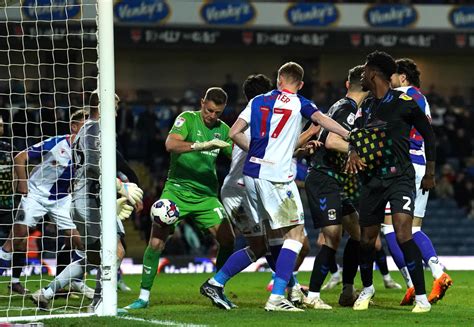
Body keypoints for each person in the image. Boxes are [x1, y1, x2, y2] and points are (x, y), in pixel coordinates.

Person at [200, 62, 349, 312]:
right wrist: (350, 134)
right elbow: (322, 120)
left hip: (249, 179)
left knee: (267, 243)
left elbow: (235, 133)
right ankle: (279, 294)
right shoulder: (298, 102)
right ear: (300, 84)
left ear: (279, 79)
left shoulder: (257, 101)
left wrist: (262, 153)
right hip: (266, 181)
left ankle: (220, 283)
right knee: (295, 235)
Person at [125, 87, 236, 310]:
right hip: (176, 191)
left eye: (218, 113)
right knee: (156, 243)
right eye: (210, 110)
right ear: (202, 102)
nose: (212, 116)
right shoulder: (187, 119)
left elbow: (238, 156)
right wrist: (201, 145)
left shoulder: (224, 130)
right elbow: (170, 144)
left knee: (228, 240)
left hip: (206, 196)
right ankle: (143, 297)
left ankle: (217, 288)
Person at [31, 92, 142, 310]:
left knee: (93, 257)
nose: (117, 112)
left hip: (88, 199)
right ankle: (99, 302)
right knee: (116, 251)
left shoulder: (85, 129)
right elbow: (93, 164)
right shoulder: (95, 129)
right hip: (90, 201)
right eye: (115, 107)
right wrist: (121, 186)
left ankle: (46, 293)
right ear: (104, 105)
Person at [346, 51, 436, 313]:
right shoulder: (366, 106)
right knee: (367, 240)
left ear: (374, 73)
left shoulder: (404, 101)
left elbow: (429, 136)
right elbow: (355, 136)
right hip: (372, 179)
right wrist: (352, 153)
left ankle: (421, 297)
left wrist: (430, 173)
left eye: (364, 70)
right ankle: (367, 289)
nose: (361, 74)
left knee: (402, 232)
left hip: (400, 177)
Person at [383, 58, 452, 306]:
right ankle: (438, 272)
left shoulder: (398, 97)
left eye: (392, 75)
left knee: (389, 228)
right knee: (414, 229)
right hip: (422, 164)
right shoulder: (422, 98)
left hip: (403, 165)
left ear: (402, 77)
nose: (388, 79)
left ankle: (412, 284)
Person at [0, 110, 90, 297]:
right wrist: (23, 183)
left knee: (81, 242)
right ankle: (11, 278)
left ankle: (74, 282)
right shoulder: (58, 142)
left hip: (61, 200)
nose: (90, 130)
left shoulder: (91, 151)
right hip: (36, 194)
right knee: (17, 237)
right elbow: (20, 157)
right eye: (85, 125)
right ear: (74, 127)